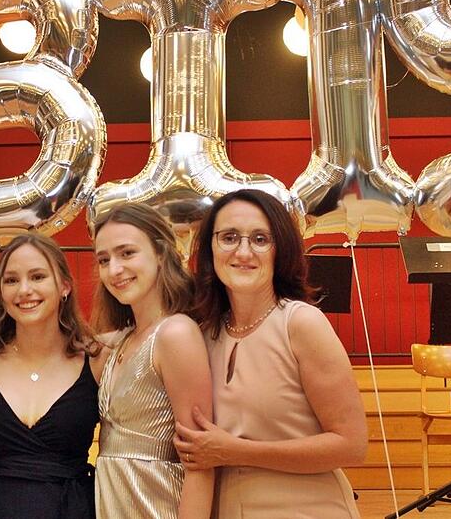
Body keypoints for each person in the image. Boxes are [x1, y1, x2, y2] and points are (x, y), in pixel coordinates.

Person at [174, 188, 367, 519]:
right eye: (229, 237)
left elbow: (351, 445)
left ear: (281, 250)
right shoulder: (202, 334)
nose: (244, 251)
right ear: (210, 248)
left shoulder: (301, 324)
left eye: (260, 239)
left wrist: (236, 452)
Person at [0, 232, 104, 518]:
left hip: (71, 508)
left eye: (37, 277)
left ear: (64, 286)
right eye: (11, 280)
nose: (24, 289)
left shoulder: (97, 359)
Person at [91, 203, 214, 519]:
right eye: (104, 260)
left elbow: (201, 461)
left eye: (127, 253)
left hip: (158, 504)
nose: (114, 269)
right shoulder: (120, 341)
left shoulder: (175, 333)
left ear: (160, 254)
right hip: (113, 501)